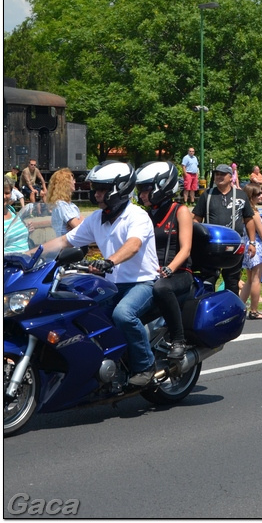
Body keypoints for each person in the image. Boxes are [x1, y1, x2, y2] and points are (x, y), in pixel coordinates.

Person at [38, 161, 159, 385]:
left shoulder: (137, 216)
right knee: (82, 314)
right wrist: (28, 254)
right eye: (96, 188)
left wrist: (109, 261)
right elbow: (65, 240)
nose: (97, 194)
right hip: (112, 285)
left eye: (102, 189)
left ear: (119, 189)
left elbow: (133, 245)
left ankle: (145, 365)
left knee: (123, 315)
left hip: (142, 283)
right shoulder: (97, 218)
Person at [134, 161, 193, 360]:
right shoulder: (144, 214)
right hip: (150, 272)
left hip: (179, 273)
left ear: (163, 187)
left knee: (161, 288)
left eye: (146, 189)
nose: (141, 194)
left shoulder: (180, 210)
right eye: (140, 190)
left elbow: (185, 249)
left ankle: (178, 340)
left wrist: (169, 268)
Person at [192, 163, 257, 297]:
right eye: (217, 174)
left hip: (233, 246)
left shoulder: (241, 195)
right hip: (211, 246)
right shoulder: (207, 195)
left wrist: (252, 242)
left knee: (232, 281)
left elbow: (249, 220)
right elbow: (195, 220)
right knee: (208, 280)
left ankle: (231, 310)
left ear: (230, 177)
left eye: (222, 174)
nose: (219, 177)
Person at [240, 184, 262, 319]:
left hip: (245, 245)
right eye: (258, 194)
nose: (261, 196)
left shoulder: (242, 211)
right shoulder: (254, 213)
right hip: (257, 246)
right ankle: (254, 310)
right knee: (256, 280)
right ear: (251, 196)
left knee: (248, 280)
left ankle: (240, 308)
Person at [46, 168, 82, 237]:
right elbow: (79, 227)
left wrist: (80, 220)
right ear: (65, 184)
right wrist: (79, 221)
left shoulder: (69, 204)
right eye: (72, 180)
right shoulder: (61, 204)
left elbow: (81, 221)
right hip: (68, 246)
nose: (75, 182)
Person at [3, 184, 30, 253]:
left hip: (25, 259)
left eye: (7, 193)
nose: (3, 196)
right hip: (9, 261)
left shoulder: (10, 209)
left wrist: (25, 228)